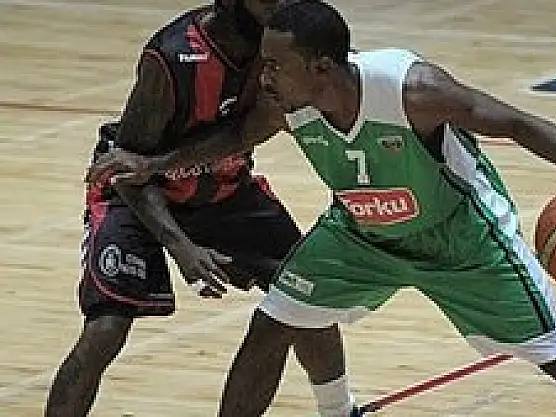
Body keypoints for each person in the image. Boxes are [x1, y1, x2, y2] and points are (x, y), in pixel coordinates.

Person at [88, 1, 556, 415]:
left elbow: (514, 122)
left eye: (275, 65)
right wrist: (155, 165)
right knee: (272, 324)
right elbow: (232, 138)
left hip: (461, 239)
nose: (263, 76)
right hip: (360, 234)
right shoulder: (284, 104)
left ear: (321, 67)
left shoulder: (411, 90)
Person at [44, 1, 356, 417]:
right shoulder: (172, 55)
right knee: (106, 328)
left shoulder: (278, 50)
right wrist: (181, 248)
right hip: (137, 196)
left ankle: (339, 409)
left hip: (222, 187)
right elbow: (128, 169)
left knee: (304, 295)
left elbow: (253, 127)